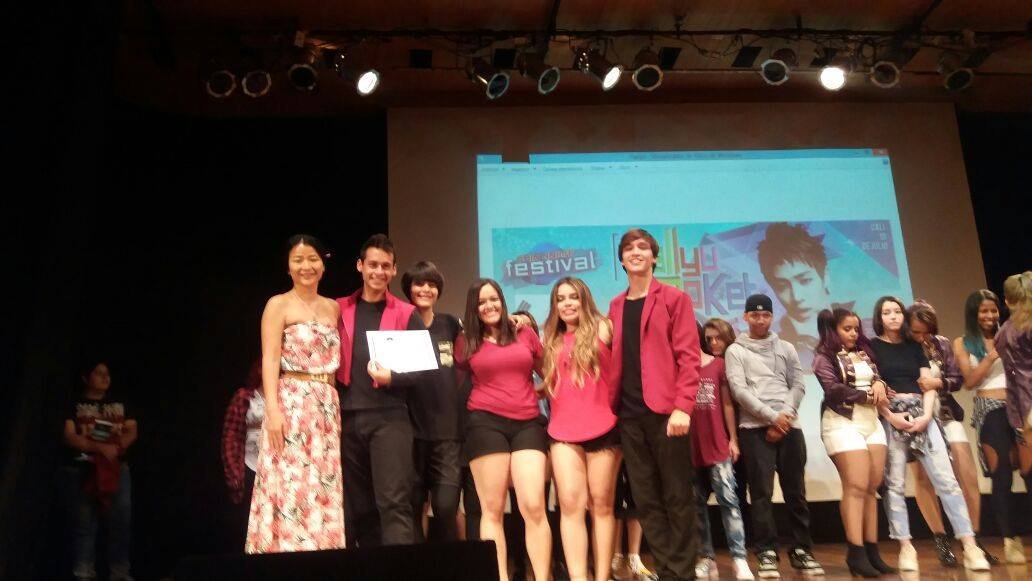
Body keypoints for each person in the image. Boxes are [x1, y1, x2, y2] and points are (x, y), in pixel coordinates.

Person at [869, 296, 989, 572]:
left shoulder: (914, 346)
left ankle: (969, 545)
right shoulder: (873, 347)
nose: (893, 316)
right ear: (879, 317)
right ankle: (906, 547)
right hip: (892, 416)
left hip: (923, 412)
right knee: (895, 485)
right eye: (886, 312)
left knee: (947, 481)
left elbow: (927, 384)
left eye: (897, 311)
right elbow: (874, 386)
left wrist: (925, 416)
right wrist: (890, 417)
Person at [607, 228, 701, 581]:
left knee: (677, 495)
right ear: (621, 260)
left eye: (643, 247)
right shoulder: (616, 305)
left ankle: (682, 571)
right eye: (628, 248)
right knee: (645, 498)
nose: (635, 252)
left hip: (666, 413)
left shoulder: (674, 298)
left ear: (654, 257)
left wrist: (683, 406)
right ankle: (667, 569)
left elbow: (689, 357)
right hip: (628, 415)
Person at [246, 234, 345, 553]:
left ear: (323, 265)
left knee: (321, 480)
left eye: (313, 259)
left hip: (325, 403)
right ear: (288, 267)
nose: (306, 266)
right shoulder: (278, 304)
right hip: (291, 401)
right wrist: (272, 410)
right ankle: (286, 555)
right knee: (290, 480)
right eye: (298, 260)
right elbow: (270, 359)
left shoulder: (333, 307)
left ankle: (321, 553)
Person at [456, 278, 552, 581]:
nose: (489, 306)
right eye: (481, 302)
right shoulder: (466, 342)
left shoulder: (524, 333)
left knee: (534, 506)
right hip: (485, 423)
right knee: (493, 509)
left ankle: (542, 576)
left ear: (502, 301)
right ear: (474, 309)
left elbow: (549, 372)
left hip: (527, 422)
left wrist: (539, 391)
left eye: (493, 299)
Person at [336, 234, 426, 547]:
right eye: (373, 264)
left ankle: (398, 569)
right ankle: (372, 568)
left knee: (394, 504)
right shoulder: (339, 309)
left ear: (394, 269)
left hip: (390, 419)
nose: (379, 271)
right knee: (359, 508)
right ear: (360, 266)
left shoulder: (406, 313)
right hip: (347, 419)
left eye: (385, 266)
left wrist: (392, 377)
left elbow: (422, 369)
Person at [724, 293, 821, 578]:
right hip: (754, 430)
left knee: (796, 492)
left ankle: (802, 549)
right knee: (761, 494)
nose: (760, 320)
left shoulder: (786, 347)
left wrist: (785, 416)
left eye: (765, 315)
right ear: (745, 317)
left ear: (771, 316)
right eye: (754, 315)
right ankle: (766, 551)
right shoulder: (735, 350)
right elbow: (739, 391)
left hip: (790, 427)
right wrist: (771, 417)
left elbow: (798, 384)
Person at [542, 277, 621, 581]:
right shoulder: (550, 339)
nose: (567, 303)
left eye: (573, 297)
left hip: (605, 428)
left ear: (584, 298)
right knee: (570, 506)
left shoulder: (604, 328)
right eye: (561, 298)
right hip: (562, 432)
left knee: (602, 506)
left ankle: (601, 576)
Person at [907, 301, 993, 566]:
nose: (923, 337)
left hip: (945, 414)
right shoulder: (901, 348)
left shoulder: (941, 344)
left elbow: (956, 379)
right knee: (923, 479)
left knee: (967, 475)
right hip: (915, 416)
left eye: (927, 331)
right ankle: (940, 538)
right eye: (917, 332)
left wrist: (938, 382)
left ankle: (972, 538)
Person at [811, 308, 893, 577]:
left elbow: (875, 379)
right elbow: (833, 389)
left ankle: (872, 551)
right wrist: (868, 396)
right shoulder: (823, 356)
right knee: (856, 486)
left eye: (856, 328)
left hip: (871, 422)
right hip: (842, 422)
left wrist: (880, 384)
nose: (854, 333)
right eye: (847, 329)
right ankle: (855, 552)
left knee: (872, 486)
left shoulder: (864, 353)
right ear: (833, 330)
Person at [402, 261, 463, 542]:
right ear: (409, 289)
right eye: (419, 283)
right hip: (411, 432)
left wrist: (517, 321)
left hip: (447, 432)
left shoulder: (450, 324)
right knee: (413, 507)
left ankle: (448, 563)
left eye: (432, 284)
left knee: (446, 507)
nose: (426, 289)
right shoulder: (400, 326)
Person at [62, 359, 137, 581]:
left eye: (107, 373)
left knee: (120, 521)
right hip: (83, 466)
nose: (105, 377)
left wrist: (116, 447)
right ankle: (83, 572)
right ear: (86, 377)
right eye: (98, 373)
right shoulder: (74, 403)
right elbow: (69, 435)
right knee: (84, 522)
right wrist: (99, 448)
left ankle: (120, 573)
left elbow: (132, 431)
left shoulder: (119, 403)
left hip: (116, 468)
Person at [691, 326, 753, 580]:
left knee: (729, 501)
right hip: (690, 446)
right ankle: (706, 557)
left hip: (717, 443)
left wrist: (733, 439)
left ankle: (739, 558)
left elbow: (727, 404)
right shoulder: (678, 368)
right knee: (696, 505)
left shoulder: (717, 365)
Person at [756, 223, 836, 359]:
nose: (797, 297)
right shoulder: (769, 342)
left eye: (805, 281)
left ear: (825, 275)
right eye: (782, 287)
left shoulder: (857, 326)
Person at [220, 359, 264, 540]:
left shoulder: (287, 398)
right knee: (247, 527)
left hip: (275, 471)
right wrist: (235, 476)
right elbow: (230, 437)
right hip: (249, 468)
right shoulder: (245, 397)